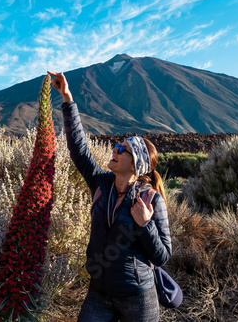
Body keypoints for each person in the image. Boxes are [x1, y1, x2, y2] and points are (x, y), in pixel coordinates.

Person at [47, 71, 172, 322]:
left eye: (122, 150)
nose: (114, 149)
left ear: (136, 164)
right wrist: (67, 98)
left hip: (137, 296)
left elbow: (162, 256)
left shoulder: (151, 201)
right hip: (99, 291)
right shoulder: (101, 183)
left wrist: (145, 225)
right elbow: (79, 148)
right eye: (117, 146)